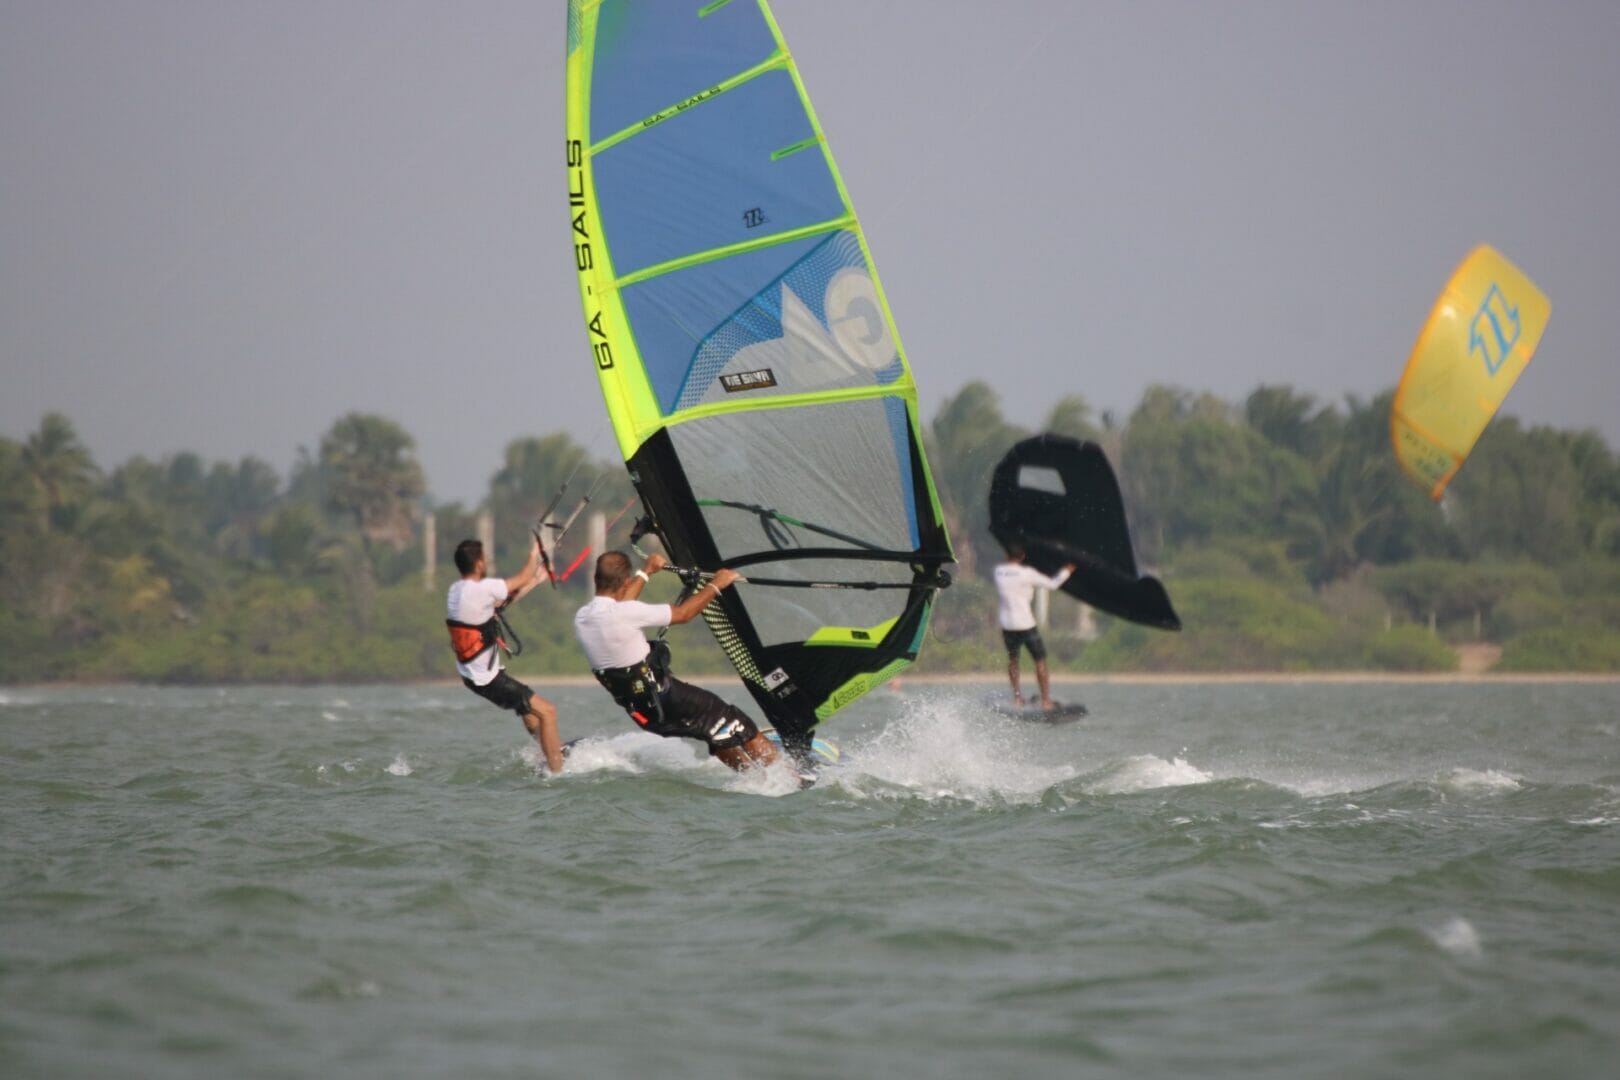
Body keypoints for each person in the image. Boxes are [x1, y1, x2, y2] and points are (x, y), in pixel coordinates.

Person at [574, 550, 782, 772]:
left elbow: (620, 606)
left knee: (713, 730)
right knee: (734, 721)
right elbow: (683, 614)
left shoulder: (583, 617)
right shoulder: (626, 612)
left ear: (597, 579)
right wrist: (716, 584)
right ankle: (788, 777)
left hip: (645, 713)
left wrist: (646, 572)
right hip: (668, 698)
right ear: (625, 581)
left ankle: (755, 780)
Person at [446, 537, 564, 773]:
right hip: (488, 679)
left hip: (472, 676)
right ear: (479, 564)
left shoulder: (456, 591)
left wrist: (536, 579)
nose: (488, 561)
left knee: (526, 708)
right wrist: (535, 553)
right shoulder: (482, 588)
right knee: (548, 711)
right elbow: (519, 579)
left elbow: (500, 602)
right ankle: (558, 772)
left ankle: (547, 752)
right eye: (485, 558)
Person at [993, 545, 1077, 711]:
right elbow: (1053, 584)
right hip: (1025, 624)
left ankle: (1017, 698)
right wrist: (1067, 570)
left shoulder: (999, 572)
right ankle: (1046, 701)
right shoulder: (1027, 574)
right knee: (1040, 661)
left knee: (1013, 660)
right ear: (1023, 556)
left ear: (1007, 554)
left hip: (1007, 624)